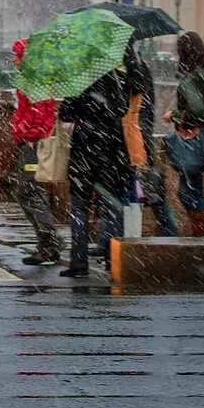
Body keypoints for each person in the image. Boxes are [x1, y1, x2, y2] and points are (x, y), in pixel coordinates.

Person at [57, 68, 132, 278]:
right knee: (112, 208)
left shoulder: (79, 80)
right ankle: (114, 260)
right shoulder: (120, 79)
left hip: (85, 151)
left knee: (79, 207)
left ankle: (79, 262)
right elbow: (123, 110)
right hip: (112, 151)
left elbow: (65, 114)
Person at [9, 38, 63, 266]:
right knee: (27, 191)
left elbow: (40, 116)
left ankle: (50, 241)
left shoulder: (35, 81)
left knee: (30, 190)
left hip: (33, 145)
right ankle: (45, 243)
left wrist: (21, 130)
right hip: (29, 143)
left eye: (18, 54)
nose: (14, 59)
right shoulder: (31, 79)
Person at [123, 40, 177, 237]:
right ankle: (168, 233)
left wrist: (140, 141)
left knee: (148, 193)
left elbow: (138, 112)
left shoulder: (133, 70)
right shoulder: (139, 66)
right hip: (137, 139)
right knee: (148, 191)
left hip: (134, 141)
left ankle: (168, 234)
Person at [164, 31, 204, 131]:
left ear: (187, 53)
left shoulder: (195, 77)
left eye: (181, 53)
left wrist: (173, 115)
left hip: (193, 135)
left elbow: (197, 112)